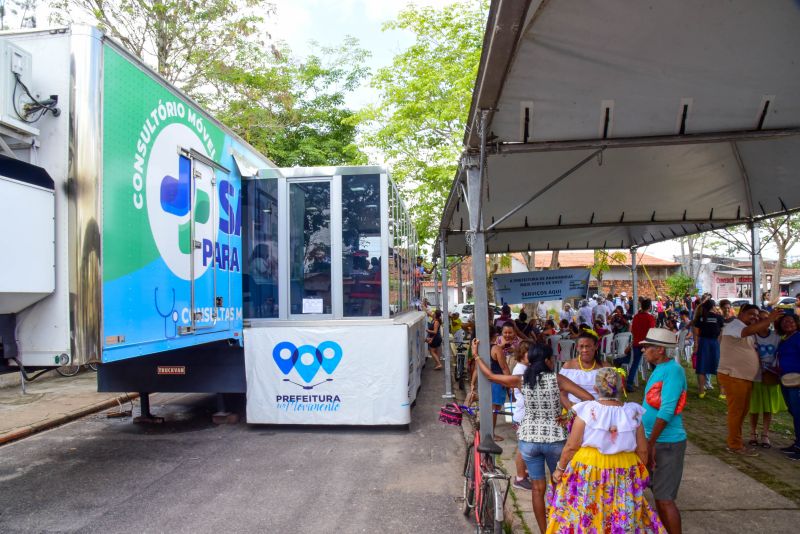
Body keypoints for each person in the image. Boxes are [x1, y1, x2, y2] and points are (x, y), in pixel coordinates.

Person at [473, 340, 593, 533]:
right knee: (559, 485)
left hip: (528, 441)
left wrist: (477, 356)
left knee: (538, 489)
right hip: (555, 441)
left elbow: (490, 376)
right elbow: (589, 399)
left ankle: (545, 531)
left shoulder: (522, 380)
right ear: (547, 360)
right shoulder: (558, 379)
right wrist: (568, 414)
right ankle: (559, 526)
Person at [547, 367, 665, 533]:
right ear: (621, 387)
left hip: (589, 467)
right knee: (620, 510)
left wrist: (560, 469)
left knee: (585, 510)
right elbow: (643, 450)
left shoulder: (587, 410)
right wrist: (639, 470)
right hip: (625, 466)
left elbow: (571, 446)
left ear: (596, 389)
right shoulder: (632, 412)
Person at [717, 304, 783, 456]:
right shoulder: (735, 326)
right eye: (751, 314)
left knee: (742, 411)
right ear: (742, 313)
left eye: (757, 316)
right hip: (733, 376)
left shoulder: (744, 328)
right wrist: (769, 320)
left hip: (743, 377)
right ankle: (734, 445)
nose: (755, 318)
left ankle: (736, 440)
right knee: (737, 411)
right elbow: (747, 331)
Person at [640, 328, 687, 534]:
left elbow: (667, 410)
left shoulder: (674, 371)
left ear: (660, 350)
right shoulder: (658, 369)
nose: (643, 351)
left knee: (665, 498)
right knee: (658, 495)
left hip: (666, 442)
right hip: (652, 440)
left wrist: (650, 444)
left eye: (647, 347)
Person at [749, 310, 786, 448]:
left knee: (767, 407)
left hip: (770, 376)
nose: (762, 322)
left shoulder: (776, 336)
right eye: (759, 319)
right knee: (754, 407)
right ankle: (753, 433)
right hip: (754, 376)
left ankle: (765, 434)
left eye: (766, 319)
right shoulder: (751, 336)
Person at [558, 331, 611, 410]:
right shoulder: (568, 366)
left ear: (596, 346)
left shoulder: (605, 367)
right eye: (581, 346)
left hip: (599, 411)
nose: (584, 350)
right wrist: (572, 412)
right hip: (573, 409)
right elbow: (562, 394)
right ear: (577, 348)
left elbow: (610, 396)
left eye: (588, 346)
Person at [616, 298, 656, 392]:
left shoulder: (636, 317)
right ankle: (656, 382)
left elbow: (633, 330)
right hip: (647, 343)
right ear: (650, 307)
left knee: (635, 363)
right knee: (653, 363)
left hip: (636, 342)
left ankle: (629, 383)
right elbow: (652, 331)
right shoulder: (650, 318)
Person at [776, 314, 800, 460]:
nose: (788, 324)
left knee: (798, 414)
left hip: (797, 382)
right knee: (794, 412)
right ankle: (797, 442)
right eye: (784, 322)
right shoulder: (785, 339)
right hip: (786, 381)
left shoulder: (798, 337)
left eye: (791, 321)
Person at [692, 299, 725, 398]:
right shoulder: (719, 317)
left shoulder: (701, 318)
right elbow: (721, 333)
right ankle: (722, 393)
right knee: (718, 368)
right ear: (713, 306)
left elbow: (696, 332)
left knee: (702, 368)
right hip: (714, 343)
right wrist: (718, 343)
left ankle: (701, 391)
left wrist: (696, 344)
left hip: (703, 343)